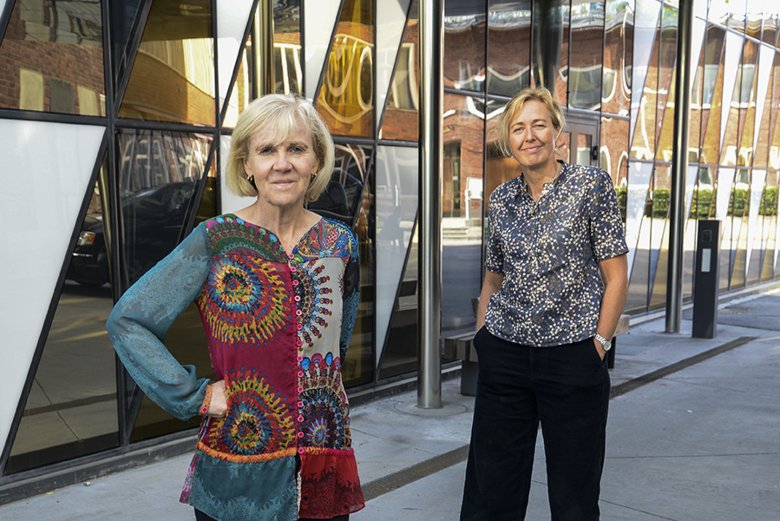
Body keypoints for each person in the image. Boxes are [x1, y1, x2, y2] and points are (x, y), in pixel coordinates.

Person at [107, 94, 365, 521]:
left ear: (316, 161)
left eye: (296, 149)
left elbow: (339, 339)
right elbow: (128, 320)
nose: (282, 164)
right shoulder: (216, 240)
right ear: (247, 164)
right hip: (238, 465)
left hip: (324, 456)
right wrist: (197, 394)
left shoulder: (341, 244)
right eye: (266, 150)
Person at [460, 87, 628, 521]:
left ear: (557, 132)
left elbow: (616, 275)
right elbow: (493, 277)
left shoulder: (590, 186)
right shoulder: (501, 200)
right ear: (508, 140)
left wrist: (600, 343)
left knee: (574, 493)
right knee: (491, 490)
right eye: (518, 128)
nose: (529, 135)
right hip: (506, 356)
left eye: (538, 124)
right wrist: (484, 338)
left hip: (574, 354)